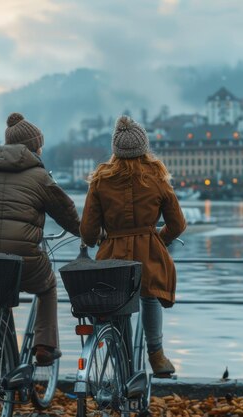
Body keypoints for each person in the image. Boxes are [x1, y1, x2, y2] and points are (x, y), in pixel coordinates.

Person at [80, 115, 187, 376]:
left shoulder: (101, 180)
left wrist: (98, 241)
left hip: (112, 255)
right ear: (144, 148)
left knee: (118, 307)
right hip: (148, 252)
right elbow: (178, 224)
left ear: (116, 150)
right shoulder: (157, 178)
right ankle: (157, 355)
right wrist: (158, 239)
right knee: (149, 297)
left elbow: (88, 230)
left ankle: (123, 362)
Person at [0, 112, 80, 366]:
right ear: (34, 147)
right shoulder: (40, 177)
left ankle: (6, 357)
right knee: (48, 286)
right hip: (23, 260)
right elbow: (66, 214)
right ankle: (44, 345)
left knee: (0, 292)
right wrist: (89, 234)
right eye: (39, 144)